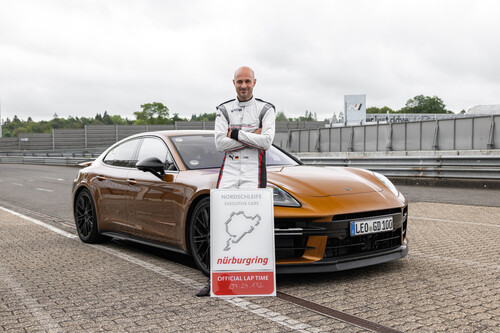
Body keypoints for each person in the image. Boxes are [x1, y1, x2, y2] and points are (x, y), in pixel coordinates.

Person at [196, 66, 276, 297]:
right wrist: (253, 136)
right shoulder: (223, 109)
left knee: (254, 224)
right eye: (239, 82)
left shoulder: (266, 109)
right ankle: (217, 280)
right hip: (229, 170)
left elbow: (267, 142)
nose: (243, 86)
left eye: (247, 81)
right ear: (233, 83)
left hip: (253, 171)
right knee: (222, 224)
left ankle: (253, 278)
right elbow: (220, 144)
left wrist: (235, 134)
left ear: (254, 82)